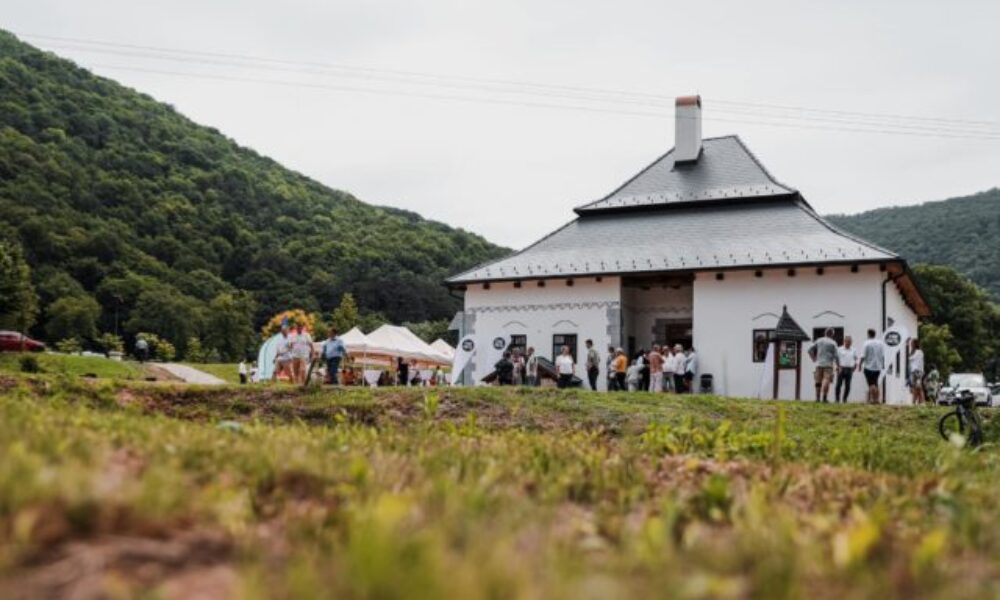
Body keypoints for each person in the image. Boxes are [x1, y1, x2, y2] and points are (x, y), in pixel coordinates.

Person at [808, 328, 838, 402]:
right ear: (832, 334)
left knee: (818, 381)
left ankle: (817, 398)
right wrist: (838, 365)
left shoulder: (819, 340)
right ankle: (824, 398)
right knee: (826, 380)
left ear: (825, 333)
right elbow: (836, 356)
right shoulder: (833, 343)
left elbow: (809, 350)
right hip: (828, 365)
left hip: (819, 364)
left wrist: (813, 358)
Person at [860, 328, 885, 404]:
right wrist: (882, 364)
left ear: (868, 334)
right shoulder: (880, 343)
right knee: (876, 383)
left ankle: (872, 400)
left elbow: (863, 356)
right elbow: (882, 355)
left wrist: (860, 365)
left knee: (871, 384)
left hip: (869, 367)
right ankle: (877, 399)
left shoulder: (866, 343)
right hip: (878, 367)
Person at [835, 335, 858, 403]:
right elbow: (836, 359)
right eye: (847, 341)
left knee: (848, 385)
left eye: (850, 342)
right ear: (844, 341)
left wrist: (855, 366)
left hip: (849, 369)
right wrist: (838, 367)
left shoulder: (854, 350)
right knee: (838, 385)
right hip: (841, 368)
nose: (848, 343)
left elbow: (856, 359)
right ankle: (837, 399)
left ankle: (844, 399)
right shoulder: (839, 349)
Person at [909, 338, 925, 405]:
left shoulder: (919, 352)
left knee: (918, 387)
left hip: (917, 371)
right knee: (915, 387)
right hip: (914, 371)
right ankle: (916, 401)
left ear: (915, 344)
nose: (911, 344)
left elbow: (912, 359)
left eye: (912, 343)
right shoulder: (914, 352)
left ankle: (921, 402)